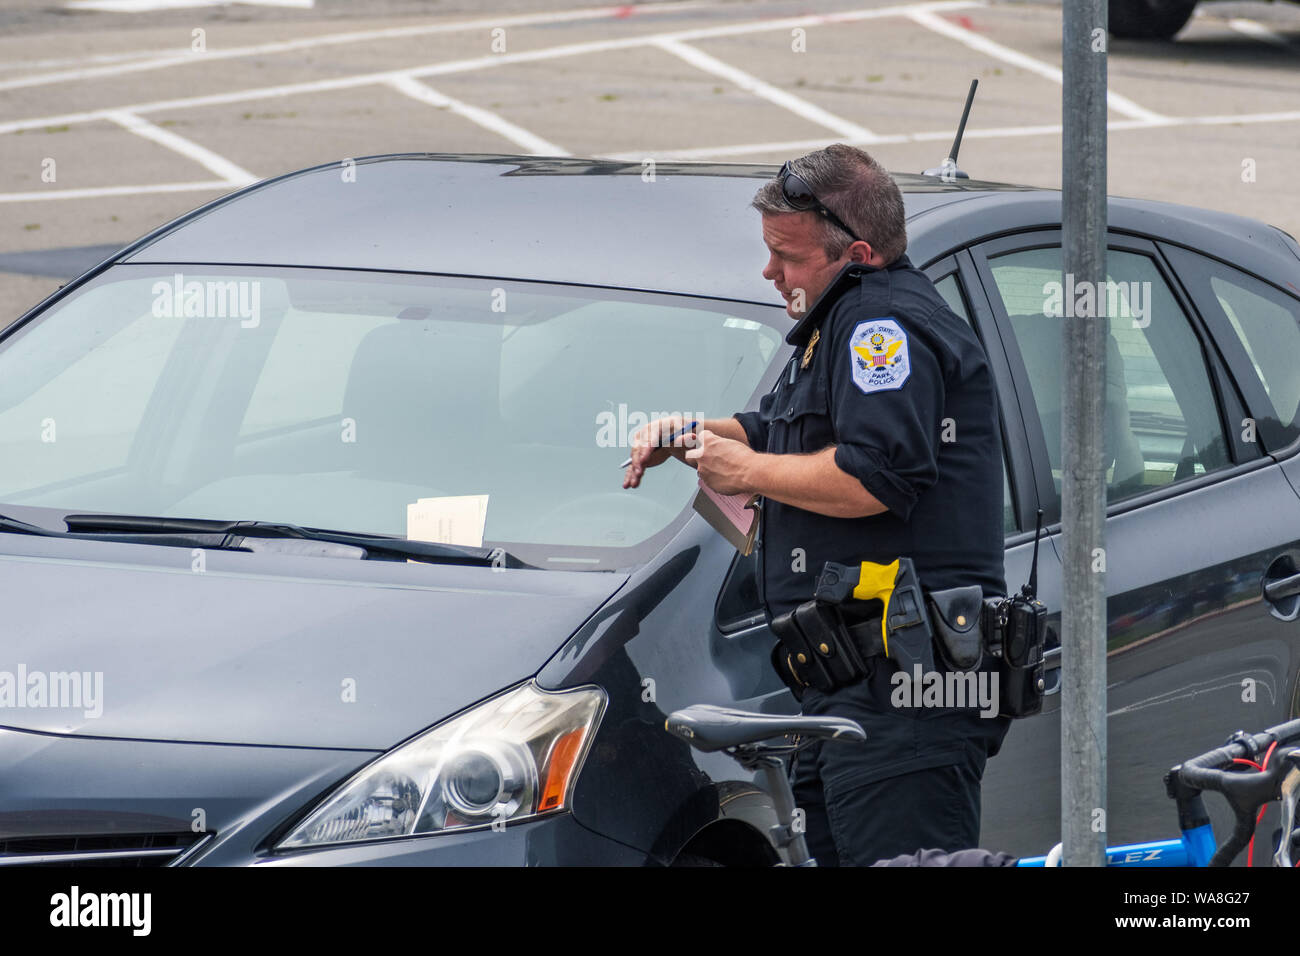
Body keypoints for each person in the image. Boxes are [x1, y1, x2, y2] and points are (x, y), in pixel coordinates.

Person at [623, 144, 1012, 865]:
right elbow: (789, 433)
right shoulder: (838, 323)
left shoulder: (878, 328)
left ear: (857, 253)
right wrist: (700, 434)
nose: (770, 273)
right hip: (848, 694)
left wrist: (749, 471)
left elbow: (877, 475)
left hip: (908, 701)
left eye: (787, 257)